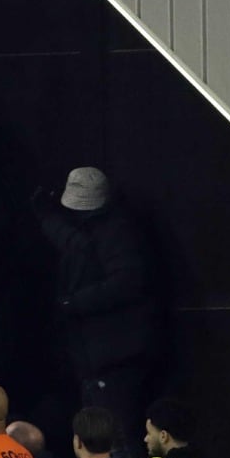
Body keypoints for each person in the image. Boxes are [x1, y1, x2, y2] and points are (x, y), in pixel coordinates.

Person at [36, 167, 157, 442]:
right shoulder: (101, 229)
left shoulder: (116, 232)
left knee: (116, 435)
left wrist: (74, 302)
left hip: (114, 354)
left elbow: (127, 281)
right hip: (101, 354)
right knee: (104, 433)